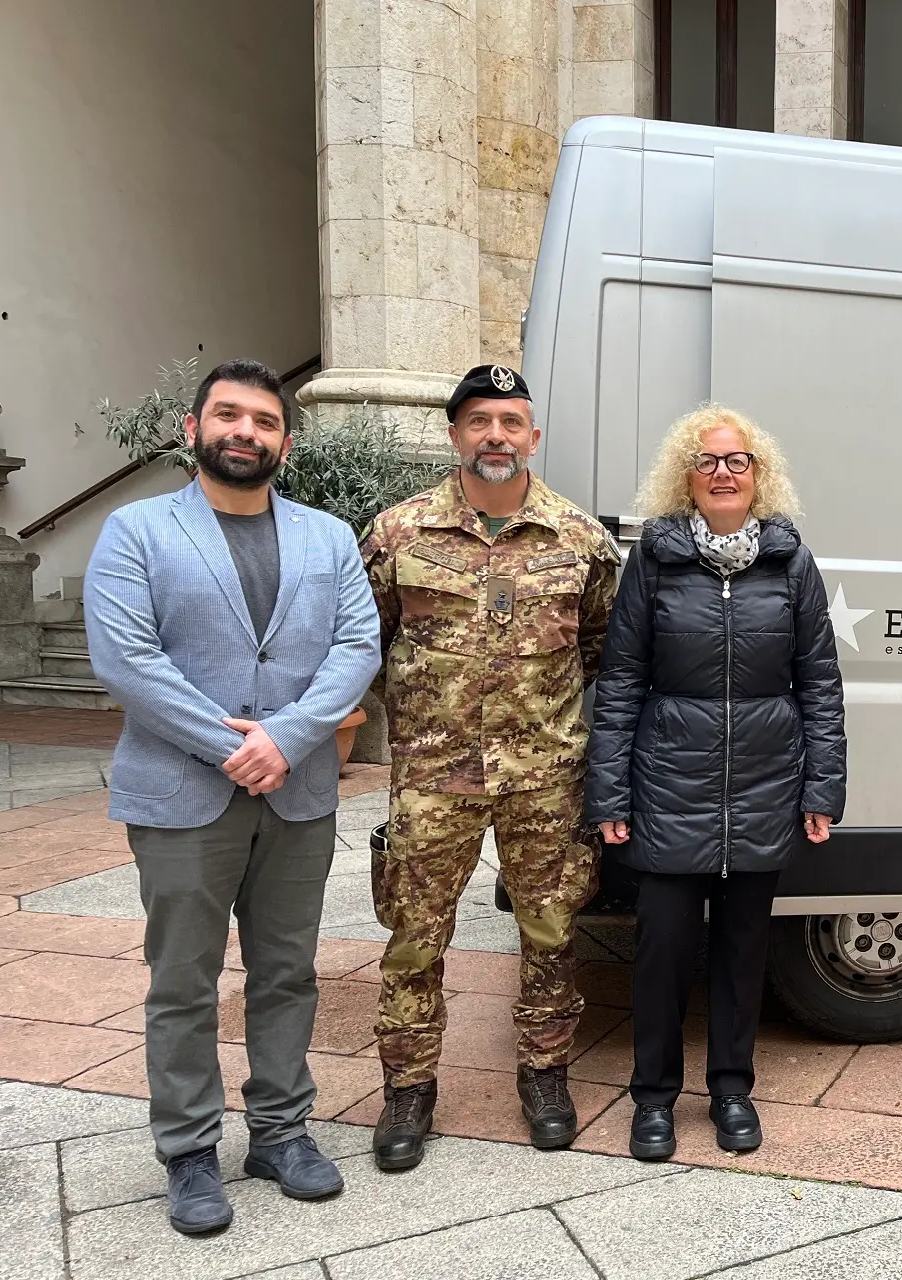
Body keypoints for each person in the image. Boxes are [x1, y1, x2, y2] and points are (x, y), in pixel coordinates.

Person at [84, 359, 381, 1235]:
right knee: (183, 979)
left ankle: (281, 1132)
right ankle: (186, 1149)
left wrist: (286, 738)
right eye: (229, 416)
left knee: (288, 972)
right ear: (193, 428)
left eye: (263, 420)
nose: (245, 431)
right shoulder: (135, 531)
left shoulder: (328, 538)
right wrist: (233, 747)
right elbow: (125, 661)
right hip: (181, 795)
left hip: (299, 794)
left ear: (285, 442)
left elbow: (358, 645)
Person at [359, 365, 618, 1169]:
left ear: (533, 437)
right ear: (455, 434)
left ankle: (545, 1074)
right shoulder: (398, 534)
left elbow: (600, 651)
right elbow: (363, 645)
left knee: (549, 933)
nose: (496, 436)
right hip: (434, 780)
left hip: (544, 779)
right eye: (479, 421)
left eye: (511, 421)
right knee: (414, 937)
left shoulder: (580, 541)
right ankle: (408, 1087)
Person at [585, 404, 845, 1162]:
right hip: (669, 788)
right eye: (708, 461)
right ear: (686, 477)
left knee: (742, 953)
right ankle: (654, 1100)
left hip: (764, 790)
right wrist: (609, 793)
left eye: (737, 461)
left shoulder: (790, 561)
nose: (723, 473)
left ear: (757, 475)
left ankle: (732, 1091)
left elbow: (819, 683)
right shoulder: (655, 561)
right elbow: (622, 679)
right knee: (662, 954)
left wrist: (821, 788)